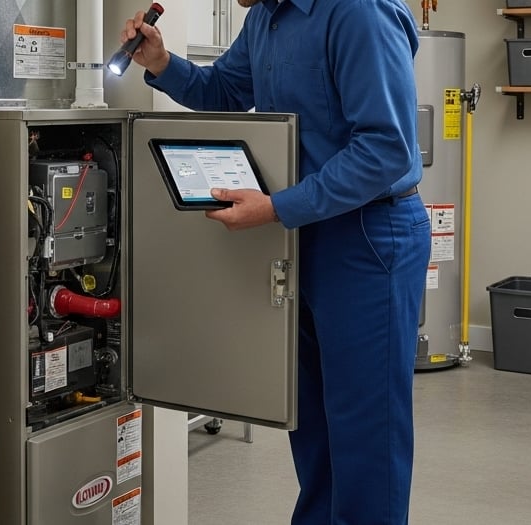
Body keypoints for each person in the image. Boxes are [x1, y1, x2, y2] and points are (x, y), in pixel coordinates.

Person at [121, 0, 430, 522]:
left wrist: (277, 207)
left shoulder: (358, 12)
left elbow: (386, 150)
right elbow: (225, 89)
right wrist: (161, 63)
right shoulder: (265, 16)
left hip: (367, 239)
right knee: (311, 426)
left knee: (365, 434)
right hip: (303, 233)